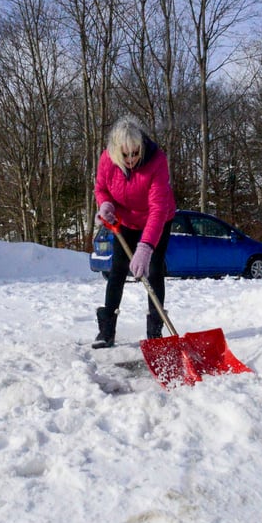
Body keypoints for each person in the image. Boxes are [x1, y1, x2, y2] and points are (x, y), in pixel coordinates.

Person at [92, 115, 176, 349]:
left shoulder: (157, 160)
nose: (130, 159)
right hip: (125, 221)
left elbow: (158, 208)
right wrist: (106, 205)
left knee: (155, 270)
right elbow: (101, 188)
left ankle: (155, 334)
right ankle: (106, 331)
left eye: (135, 153)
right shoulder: (107, 159)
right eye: (125, 155)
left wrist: (146, 247)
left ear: (142, 146)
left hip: (157, 219)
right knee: (117, 270)